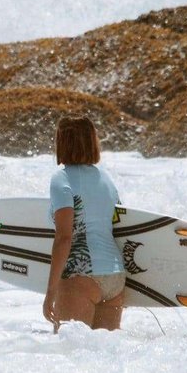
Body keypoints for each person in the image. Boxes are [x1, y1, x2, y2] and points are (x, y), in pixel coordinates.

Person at [43, 116, 125, 333]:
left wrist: (50, 291)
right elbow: (119, 224)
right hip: (115, 276)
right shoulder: (106, 180)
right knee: (104, 352)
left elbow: (64, 238)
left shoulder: (61, 179)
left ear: (63, 143)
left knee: (69, 351)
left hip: (81, 275)